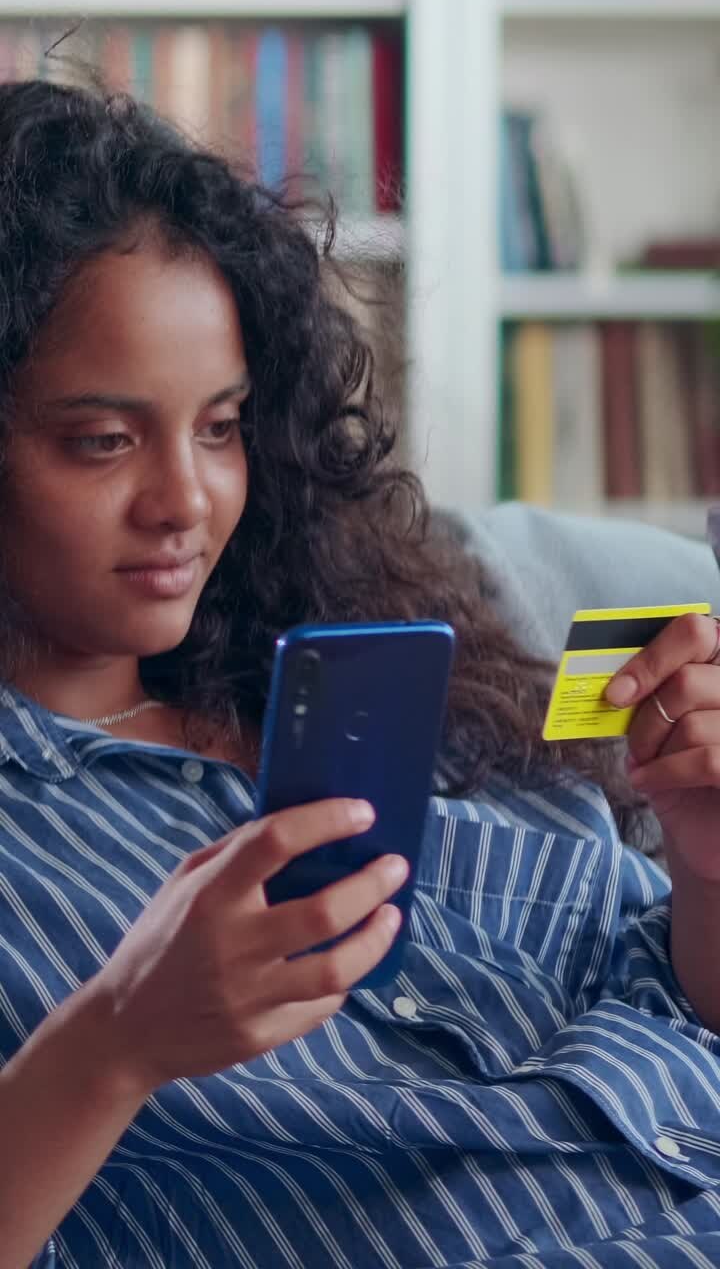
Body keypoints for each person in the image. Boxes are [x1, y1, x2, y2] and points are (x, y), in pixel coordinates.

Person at [1, 78, 720, 1269]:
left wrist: (703, 869)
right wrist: (115, 1041)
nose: (186, 500)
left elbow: (676, 996)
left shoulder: (381, 677)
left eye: (222, 426)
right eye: (103, 441)